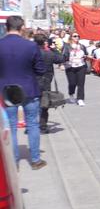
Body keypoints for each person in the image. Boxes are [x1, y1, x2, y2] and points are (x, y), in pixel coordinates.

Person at [0, 16, 47, 169]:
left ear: (7, 28)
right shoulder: (31, 46)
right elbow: (41, 70)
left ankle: (14, 163)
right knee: (32, 124)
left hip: (7, 91)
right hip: (29, 89)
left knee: (11, 126)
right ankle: (35, 160)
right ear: (22, 28)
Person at [34, 34, 65, 134]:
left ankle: (32, 125)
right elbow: (61, 59)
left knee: (33, 103)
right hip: (46, 81)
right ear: (44, 43)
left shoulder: (31, 53)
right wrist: (54, 49)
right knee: (44, 104)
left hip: (32, 81)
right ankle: (43, 126)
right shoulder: (49, 53)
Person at [63, 32, 89, 106]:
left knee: (81, 84)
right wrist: (62, 63)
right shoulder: (67, 46)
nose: (77, 37)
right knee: (72, 83)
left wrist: (86, 56)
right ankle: (71, 94)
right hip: (70, 67)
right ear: (71, 37)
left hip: (81, 66)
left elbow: (86, 54)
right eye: (75, 36)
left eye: (78, 36)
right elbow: (64, 56)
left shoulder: (82, 46)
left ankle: (80, 99)